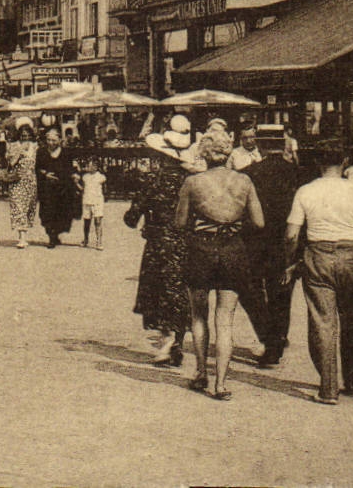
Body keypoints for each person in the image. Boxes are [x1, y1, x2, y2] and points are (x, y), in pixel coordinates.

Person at [284, 150, 353, 404]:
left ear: (318, 163)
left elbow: (291, 235)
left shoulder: (305, 191)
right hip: (351, 256)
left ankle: (328, 389)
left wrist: (289, 263)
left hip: (317, 255)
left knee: (322, 322)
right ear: (344, 164)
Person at [173, 135, 264, 400]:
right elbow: (259, 222)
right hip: (233, 250)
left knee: (199, 315)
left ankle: (201, 373)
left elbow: (179, 223)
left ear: (204, 153)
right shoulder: (244, 181)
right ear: (228, 153)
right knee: (225, 320)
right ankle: (221, 383)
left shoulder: (192, 182)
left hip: (200, 249)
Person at [239, 130, 307, 367]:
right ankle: (279, 337)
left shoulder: (249, 174)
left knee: (252, 291)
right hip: (288, 241)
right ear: (283, 144)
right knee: (282, 293)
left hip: (255, 241)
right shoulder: (299, 174)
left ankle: (269, 338)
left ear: (259, 145)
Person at [128, 133, 195, 366]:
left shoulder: (152, 180)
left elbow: (131, 217)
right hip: (186, 243)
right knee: (181, 290)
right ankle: (178, 338)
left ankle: (166, 342)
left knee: (159, 291)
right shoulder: (192, 179)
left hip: (158, 243)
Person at [35, 129, 80, 248]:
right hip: (47, 188)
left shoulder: (66, 153)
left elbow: (72, 167)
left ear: (60, 140)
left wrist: (75, 174)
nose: (51, 143)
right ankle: (51, 236)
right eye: (48, 140)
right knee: (47, 212)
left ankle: (56, 233)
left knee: (62, 213)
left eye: (54, 140)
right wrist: (45, 174)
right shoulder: (41, 152)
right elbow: (37, 168)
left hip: (63, 187)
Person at [5, 119, 39, 249]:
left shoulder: (36, 147)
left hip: (31, 181)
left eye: (28, 136)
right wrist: (19, 151)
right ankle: (22, 238)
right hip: (17, 180)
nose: (26, 139)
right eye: (23, 136)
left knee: (28, 208)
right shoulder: (13, 146)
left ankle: (24, 235)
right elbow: (10, 163)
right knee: (18, 206)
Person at [79, 159, 107, 250]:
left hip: (97, 202)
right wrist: (76, 183)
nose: (88, 167)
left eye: (90, 166)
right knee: (86, 222)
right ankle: (86, 240)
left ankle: (99, 242)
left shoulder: (101, 177)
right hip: (87, 201)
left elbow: (105, 189)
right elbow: (82, 188)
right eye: (88, 165)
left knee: (98, 222)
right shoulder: (85, 177)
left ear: (95, 167)